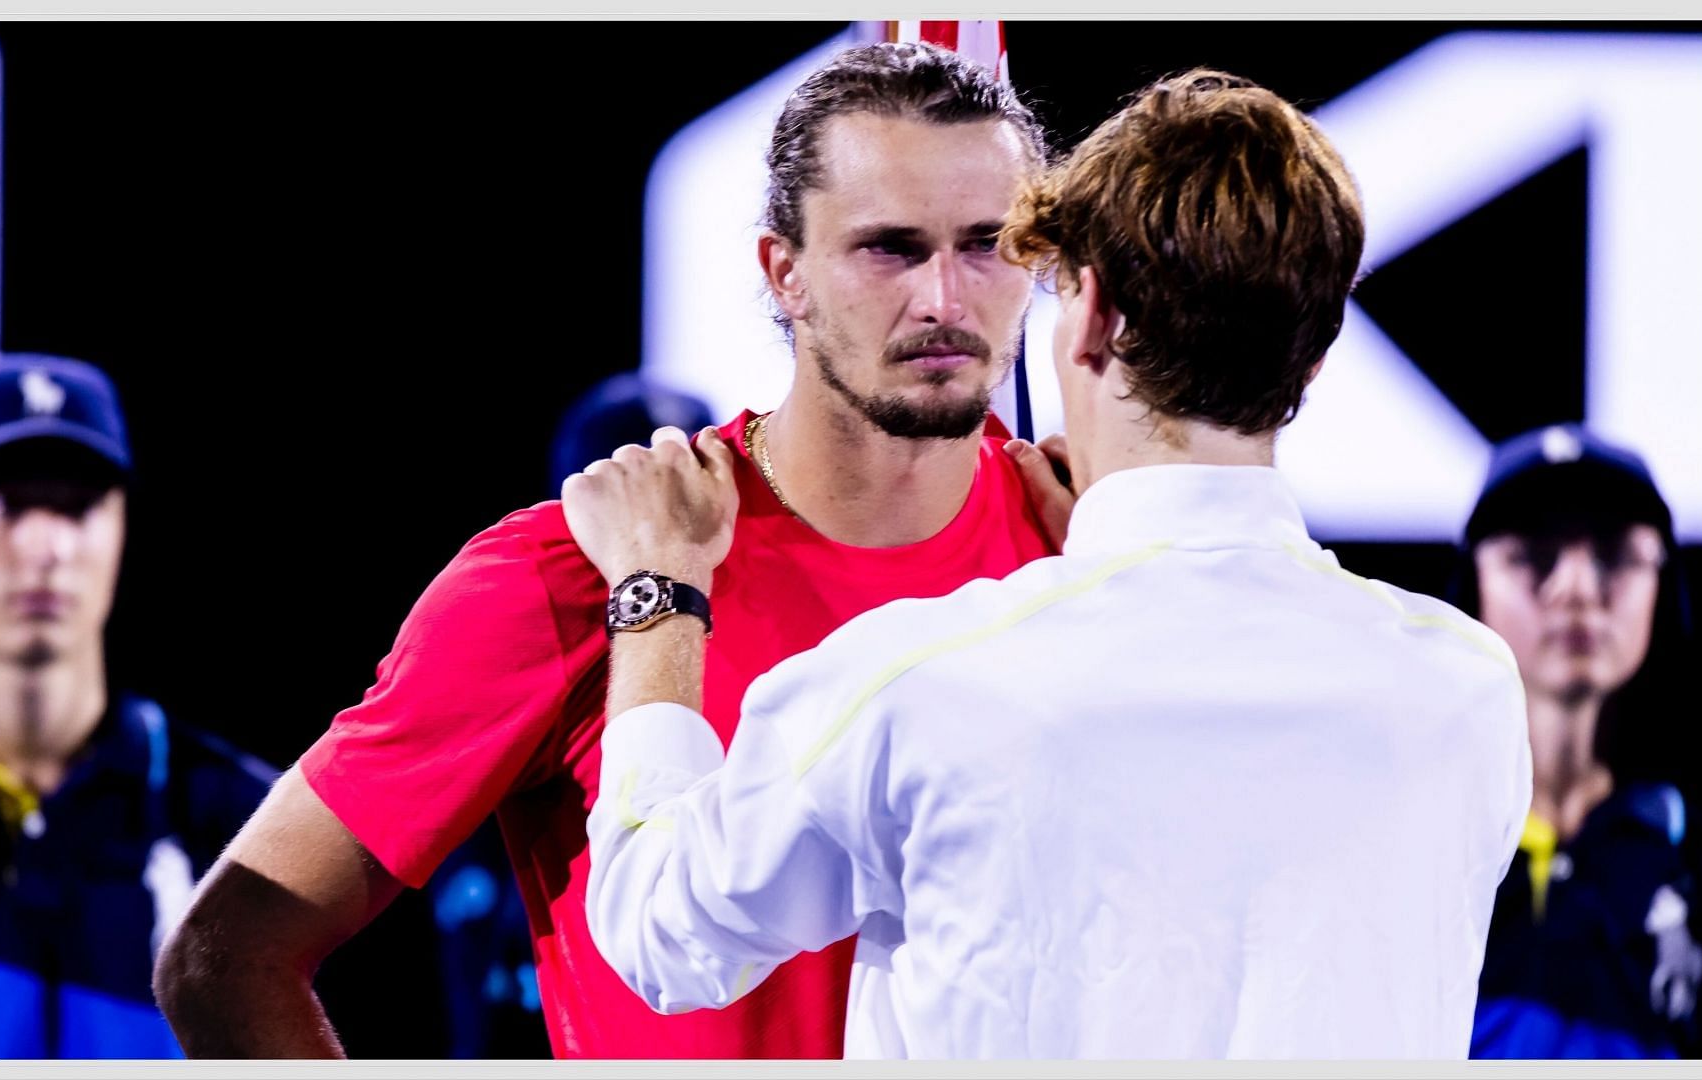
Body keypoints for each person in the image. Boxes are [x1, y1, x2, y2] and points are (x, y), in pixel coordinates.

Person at [564, 69, 1532, 1058]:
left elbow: (658, 931)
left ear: (1095, 314)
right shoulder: (1468, 692)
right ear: (1317, 354)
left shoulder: (920, 684)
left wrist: (659, 588)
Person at [154, 41, 1063, 1059]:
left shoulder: (1084, 553)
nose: (945, 299)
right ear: (785, 273)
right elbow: (226, 955)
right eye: (890, 247)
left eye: (988, 243)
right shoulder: (574, 571)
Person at [0, 355, 276, 1058]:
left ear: (123, 527)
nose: (46, 546)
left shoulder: (253, 832)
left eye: (77, 504)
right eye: (6, 502)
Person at [1458, 424, 1702, 1058]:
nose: (1575, 589)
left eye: (1614, 554)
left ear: (1663, 584)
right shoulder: (1405, 830)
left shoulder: (1701, 842)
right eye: (1533, 554)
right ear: (1472, 584)